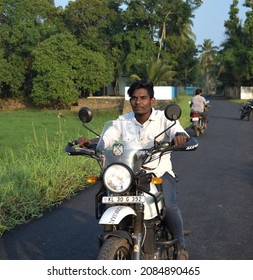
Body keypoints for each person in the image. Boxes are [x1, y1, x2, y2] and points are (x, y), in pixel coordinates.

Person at [77, 79, 190, 259]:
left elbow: (177, 131)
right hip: (127, 174)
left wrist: (180, 136)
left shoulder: (165, 119)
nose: (139, 102)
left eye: (143, 98)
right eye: (135, 98)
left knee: (169, 206)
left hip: (157, 172)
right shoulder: (123, 121)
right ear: (130, 101)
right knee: (107, 199)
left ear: (152, 100)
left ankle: (181, 247)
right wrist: (94, 144)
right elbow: (108, 138)